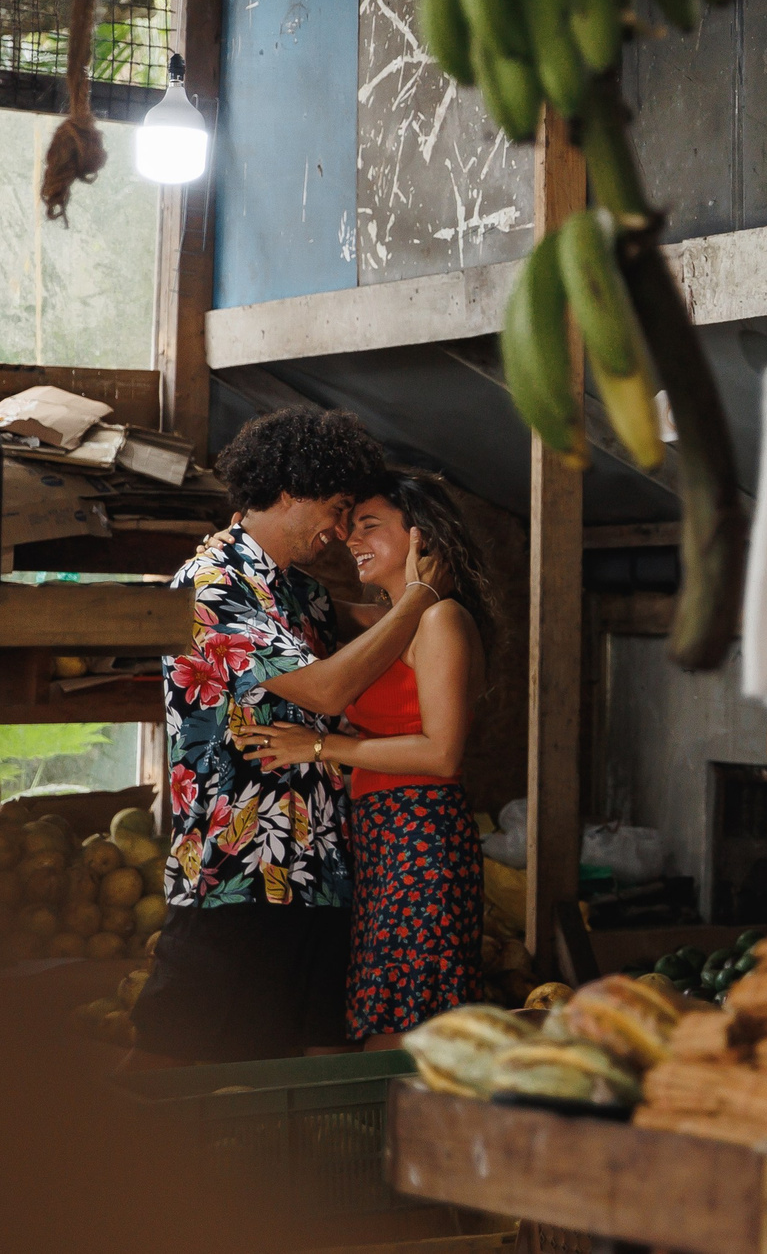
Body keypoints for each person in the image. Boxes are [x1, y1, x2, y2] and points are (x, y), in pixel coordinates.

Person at [131, 408, 448, 1064]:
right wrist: (419, 597)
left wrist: (428, 591)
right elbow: (328, 689)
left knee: (302, 1083)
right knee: (174, 1071)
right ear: (288, 489)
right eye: (337, 509)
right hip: (236, 871)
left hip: (317, 871)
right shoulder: (212, 585)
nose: (341, 531)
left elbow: (383, 642)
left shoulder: (302, 591)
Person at [236, 473, 493, 1048]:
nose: (352, 539)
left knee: (406, 1027)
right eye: (350, 526)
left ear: (421, 536)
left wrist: (321, 747)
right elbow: (308, 614)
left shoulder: (441, 619)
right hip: (384, 832)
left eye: (369, 526)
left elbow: (441, 754)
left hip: (421, 834)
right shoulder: (398, 619)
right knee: (386, 1015)